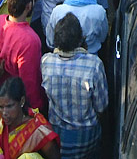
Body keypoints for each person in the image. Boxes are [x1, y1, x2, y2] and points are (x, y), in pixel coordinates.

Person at [40, 14, 107, 159]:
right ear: (80, 39)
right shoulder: (94, 65)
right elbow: (101, 107)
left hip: (58, 137)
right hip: (88, 138)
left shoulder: (46, 62)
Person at [0, 76, 59, 159]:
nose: (4, 113)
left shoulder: (38, 130)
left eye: (9, 106)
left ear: (22, 101)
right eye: (1, 107)